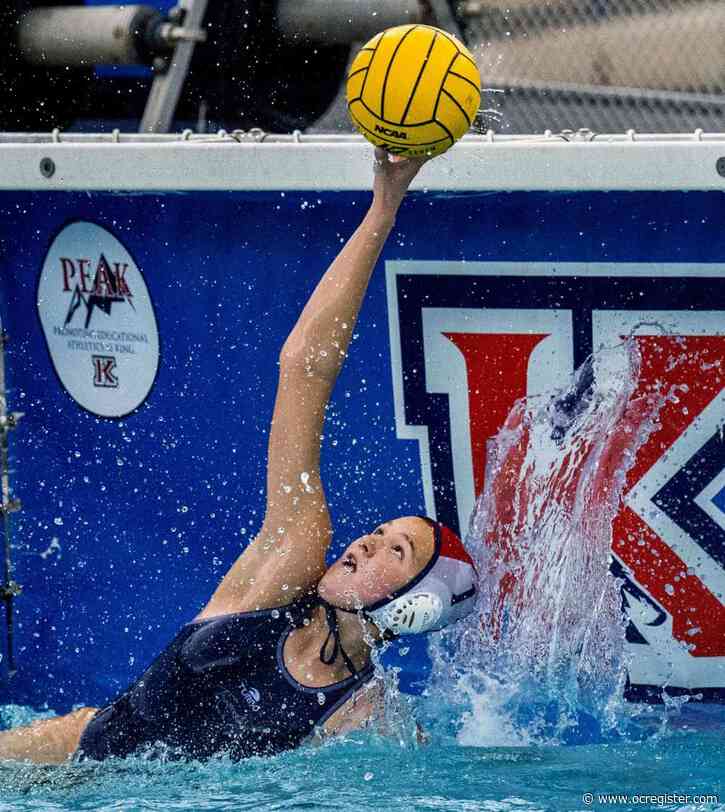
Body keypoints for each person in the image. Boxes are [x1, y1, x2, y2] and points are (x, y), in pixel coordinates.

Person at [0, 148, 478, 765]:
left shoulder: (369, 720)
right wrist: (383, 208)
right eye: (380, 531)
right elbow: (303, 369)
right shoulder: (289, 567)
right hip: (58, 758)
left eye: (397, 551)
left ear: (418, 607)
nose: (365, 542)